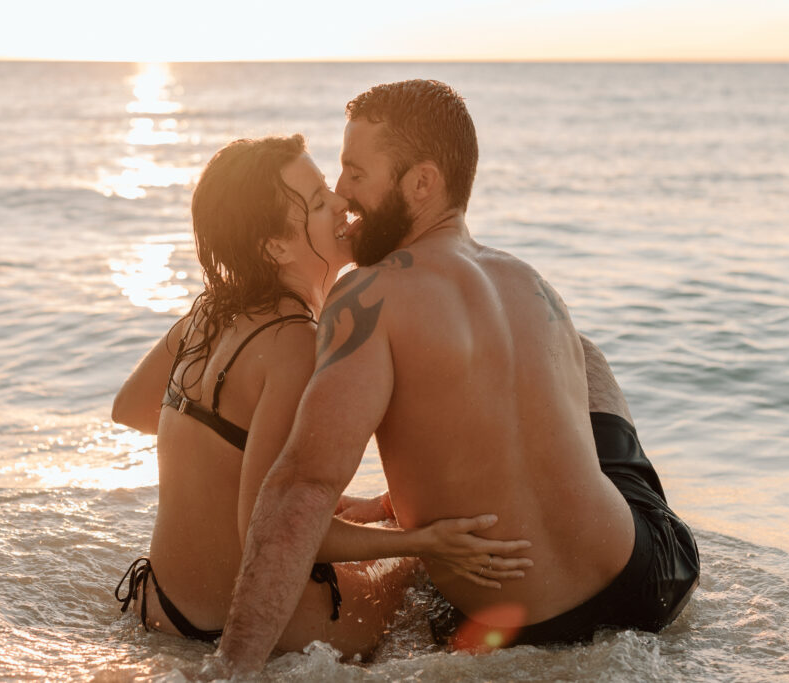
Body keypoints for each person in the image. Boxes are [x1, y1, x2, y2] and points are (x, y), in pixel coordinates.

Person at [211, 81, 700, 674]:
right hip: (651, 578)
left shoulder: (366, 295)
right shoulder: (530, 280)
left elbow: (301, 488)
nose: (341, 193)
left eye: (355, 172)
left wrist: (228, 670)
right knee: (583, 352)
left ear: (421, 182)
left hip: (531, 626)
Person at [110, 134, 533, 659]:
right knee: (423, 570)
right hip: (251, 629)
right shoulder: (296, 344)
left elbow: (129, 408)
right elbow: (267, 530)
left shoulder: (207, 315)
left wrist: (242, 467)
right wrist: (418, 542)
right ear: (276, 246)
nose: (340, 200)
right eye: (315, 203)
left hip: (159, 605)